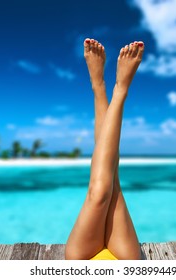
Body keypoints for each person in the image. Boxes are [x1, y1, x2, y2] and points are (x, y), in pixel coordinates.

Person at [65, 38, 144, 260]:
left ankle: (100, 86)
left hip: (80, 261)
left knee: (101, 191)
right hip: (127, 263)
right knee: (110, 183)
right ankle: (119, 90)